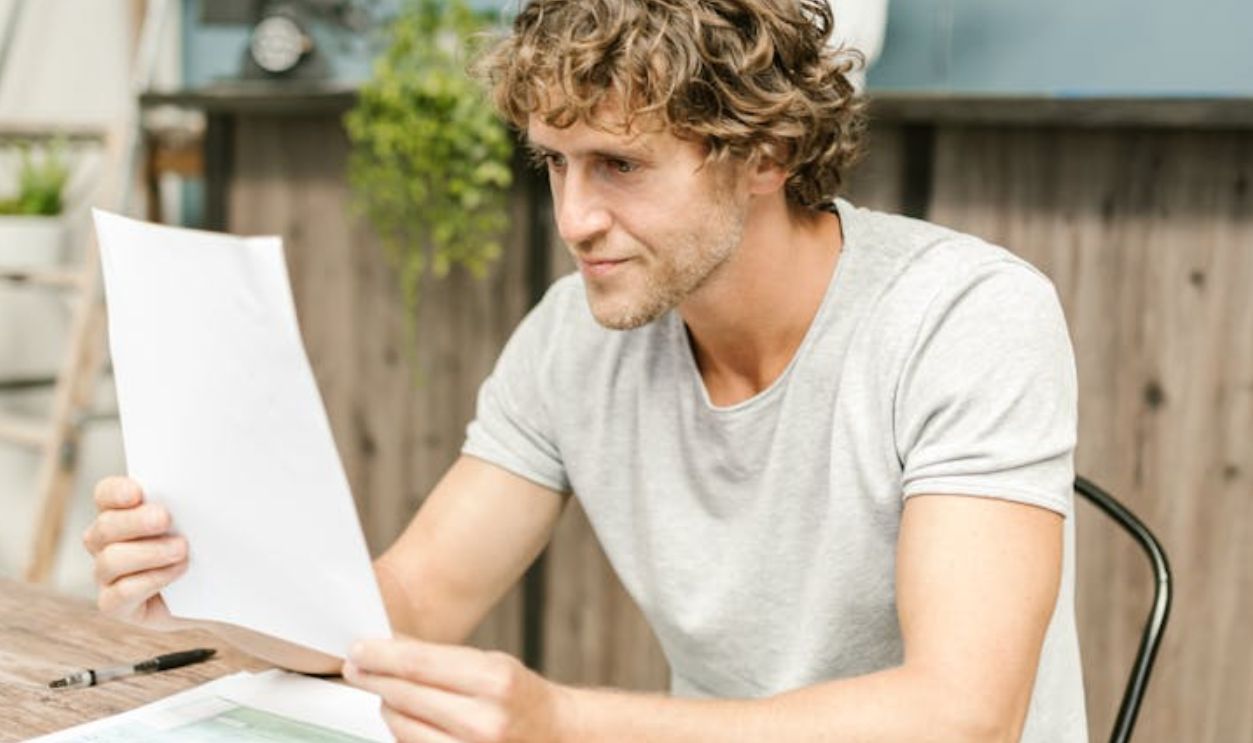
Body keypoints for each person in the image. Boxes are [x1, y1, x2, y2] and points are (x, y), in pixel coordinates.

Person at [83, 1, 1087, 741]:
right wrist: (212, 583)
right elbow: (415, 600)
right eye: (552, 164)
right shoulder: (578, 334)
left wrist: (561, 720)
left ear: (765, 150)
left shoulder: (964, 317)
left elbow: (960, 712)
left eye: (617, 164)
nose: (571, 220)